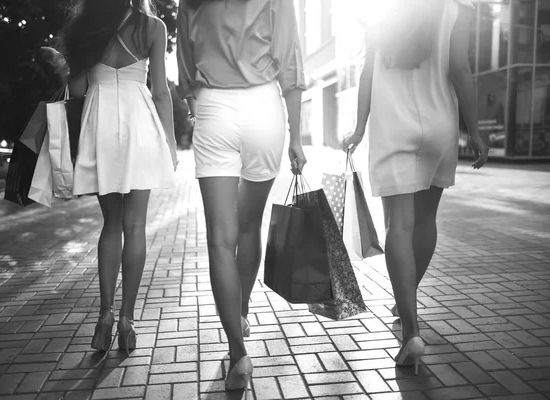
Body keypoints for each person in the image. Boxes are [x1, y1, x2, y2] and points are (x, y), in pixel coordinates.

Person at [343, 0, 489, 374]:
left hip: (394, 125)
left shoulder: (385, 11)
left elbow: (368, 72)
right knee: (425, 222)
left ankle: (411, 329)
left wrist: (359, 129)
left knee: (399, 226)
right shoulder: (458, 8)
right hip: (440, 122)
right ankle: (406, 301)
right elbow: (460, 68)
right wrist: (473, 129)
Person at [176, 0, 307, 394]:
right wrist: (296, 137)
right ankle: (243, 308)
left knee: (220, 238)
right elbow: (291, 65)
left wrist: (198, 105)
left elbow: (185, 68)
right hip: (265, 107)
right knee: (249, 224)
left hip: (214, 107)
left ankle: (238, 352)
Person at [60, 0, 178, 353]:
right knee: (135, 225)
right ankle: (127, 319)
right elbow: (160, 92)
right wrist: (169, 141)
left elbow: (78, 91)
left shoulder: (83, 27)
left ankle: (105, 315)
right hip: (139, 122)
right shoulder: (152, 26)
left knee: (111, 224)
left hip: (100, 124)